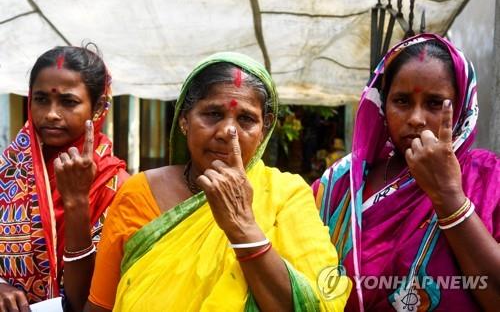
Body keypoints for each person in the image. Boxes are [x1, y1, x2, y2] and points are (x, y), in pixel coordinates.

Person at [87, 52, 351, 311]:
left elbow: (314, 304)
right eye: (213, 114)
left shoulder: (288, 196)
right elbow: (101, 304)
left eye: (246, 119)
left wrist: (243, 227)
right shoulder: (139, 192)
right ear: (184, 120)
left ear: (264, 129)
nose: (228, 132)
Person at [313, 33, 499, 311]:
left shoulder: (486, 178)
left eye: (435, 103)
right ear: (383, 105)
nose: (416, 118)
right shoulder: (341, 183)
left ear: (461, 107)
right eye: (401, 101)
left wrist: (448, 197)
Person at [0, 46, 129, 311]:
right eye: (41, 99)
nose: (51, 114)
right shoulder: (9, 172)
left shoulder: (119, 187)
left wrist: (77, 203)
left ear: (99, 106)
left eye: (68, 102)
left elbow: (88, 300)